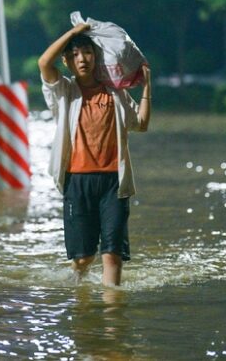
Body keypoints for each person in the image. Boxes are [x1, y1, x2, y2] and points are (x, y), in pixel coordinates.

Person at [38, 23, 151, 286]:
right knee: (84, 258)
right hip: (77, 182)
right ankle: (79, 292)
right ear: (67, 61)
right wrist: (74, 33)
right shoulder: (64, 92)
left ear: (96, 56)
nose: (82, 59)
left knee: (112, 255)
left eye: (87, 52)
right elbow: (44, 62)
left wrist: (147, 86)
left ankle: (111, 319)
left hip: (114, 184)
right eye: (75, 54)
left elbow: (141, 124)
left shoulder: (116, 93)